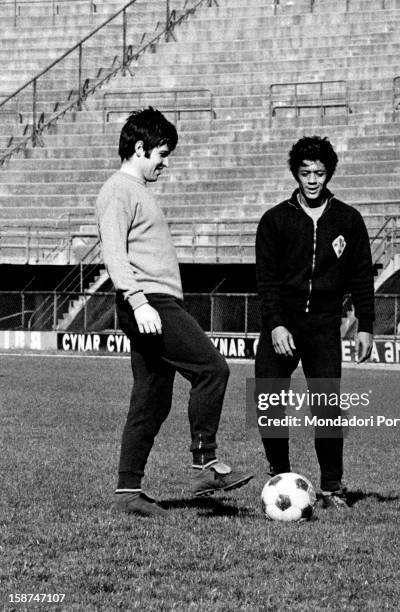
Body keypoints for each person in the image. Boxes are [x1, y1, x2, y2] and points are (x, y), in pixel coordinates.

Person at [95, 107, 252, 517]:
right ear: (140, 148)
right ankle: (205, 464)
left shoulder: (138, 190)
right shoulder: (118, 190)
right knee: (212, 369)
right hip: (149, 303)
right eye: (162, 154)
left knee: (150, 400)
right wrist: (139, 300)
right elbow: (113, 254)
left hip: (155, 302)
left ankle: (128, 493)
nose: (166, 163)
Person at [255, 136, 374, 510]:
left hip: (323, 327)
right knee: (267, 400)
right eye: (305, 172)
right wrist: (275, 324)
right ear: (295, 174)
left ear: (329, 174)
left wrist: (366, 325)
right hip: (282, 324)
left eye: (319, 173)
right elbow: (266, 280)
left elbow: (360, 278)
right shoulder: (274, 220)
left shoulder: (348, 219)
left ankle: (332, 487)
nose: (312, 180)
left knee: (327, 405)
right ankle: (281, 475)